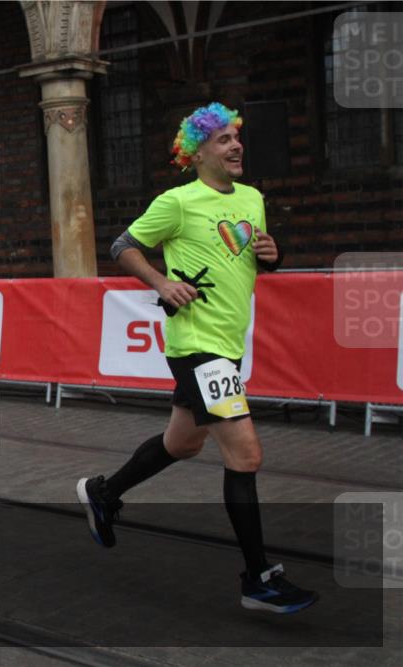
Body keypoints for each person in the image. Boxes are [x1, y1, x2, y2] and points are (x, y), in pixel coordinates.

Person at [76, 102, 314, 614]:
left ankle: (103, 492)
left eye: (236, 137)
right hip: (197, 347)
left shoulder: (252, 199)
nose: (236, 145)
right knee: (245, 456)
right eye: (224, 139)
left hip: (228, 343)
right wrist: (162, 282)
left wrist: (275, 256)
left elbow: (247, 262)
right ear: (199, 151)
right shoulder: (178, 202)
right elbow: (124, 245)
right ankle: (258, 579)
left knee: (181, 443)